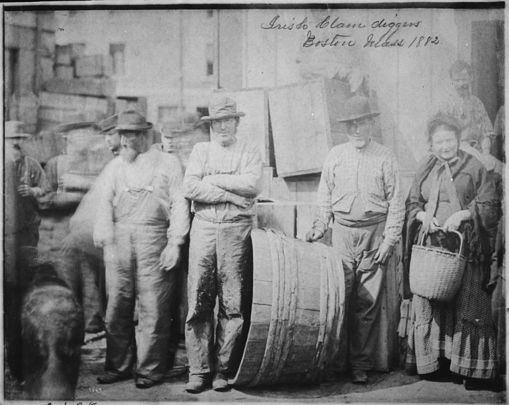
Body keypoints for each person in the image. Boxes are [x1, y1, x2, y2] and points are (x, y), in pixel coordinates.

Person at [306, 95, 405, 384]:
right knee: (337, 299)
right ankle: (334, 363)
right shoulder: (335, 155)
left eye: (361, 123)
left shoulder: (385, 156)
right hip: (342, 234)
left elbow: (397, 202)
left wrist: (389, 240)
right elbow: (324, 199)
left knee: (367, 304)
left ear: (371, 123)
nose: (356, 130)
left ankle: (359, 364)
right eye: (351, 125)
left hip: (374, 236)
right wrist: (319, 225)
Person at [93, 110, 190, 389]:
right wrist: (106, 239)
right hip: (120, 241)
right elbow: (103, 204)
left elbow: (179, 204)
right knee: (117, 306)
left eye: (132, 134)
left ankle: (150, 369)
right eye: (122, 134)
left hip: (154, 238)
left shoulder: (168, 163)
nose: (125, 140)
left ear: (146, 134)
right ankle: (118, 366)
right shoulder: (115, 167)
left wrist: (175, 243)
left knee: (154, 308)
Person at [404, 112, 501, 390]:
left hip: (465, 246)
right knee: (431, 302)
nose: (445, 146)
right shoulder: (425, 167)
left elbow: (490, 203)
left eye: (449, 140)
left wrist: (463, 215)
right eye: (439, 141)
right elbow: (413, 202)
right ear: (431, 144)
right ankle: (436, 364)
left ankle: (472, 369)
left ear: (458, 140)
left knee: (470, 301)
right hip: (433, 248)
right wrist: (423, 216)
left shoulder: (475, 167)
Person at [183, 97, 262, 393]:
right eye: (217, 122)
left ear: (237, 122)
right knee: (198, 300)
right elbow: (189, 186)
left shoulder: (249, 150)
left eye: (228, 120)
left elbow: (253, 184)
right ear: (211, 125)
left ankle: (224, 370)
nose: (222, 126)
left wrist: (213, 180)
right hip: (203, 228)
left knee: (232, 303)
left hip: (235, 231)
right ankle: (199, 370)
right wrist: (229, 193)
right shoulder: (200, 150)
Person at [5, 121, 47, 267]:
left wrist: (32, 191)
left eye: (20, 138)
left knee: (27, 264)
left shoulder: (32, 164)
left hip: (28, 224)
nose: (16, 142)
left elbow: (45, 189)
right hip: (5, 225)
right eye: (11, 138)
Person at [440, 60, 494, 155]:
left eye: (464, 79)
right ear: (452, 81)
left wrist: (486, 153)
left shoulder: (477, 103)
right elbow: (442, 135)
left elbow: (486, 133)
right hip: (455, 151)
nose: (461, 84)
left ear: (471, 78)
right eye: (457, 80)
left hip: (477, 150)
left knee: (496, 166)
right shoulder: (446, 104)